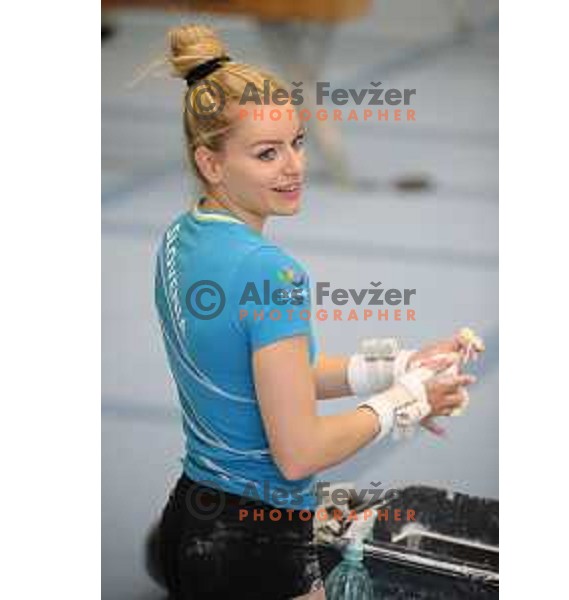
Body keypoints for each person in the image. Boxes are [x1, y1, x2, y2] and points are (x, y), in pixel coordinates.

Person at [150, 24, 480, 600]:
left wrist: (397, 368)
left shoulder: (180, 240)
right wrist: (407, 403)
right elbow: (300, 450)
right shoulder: (272, 272)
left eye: (297, 143)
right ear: (211, 162)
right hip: (259, 544)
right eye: (266, 154)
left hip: (191, 518)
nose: (294, 167)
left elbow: (267, 378)